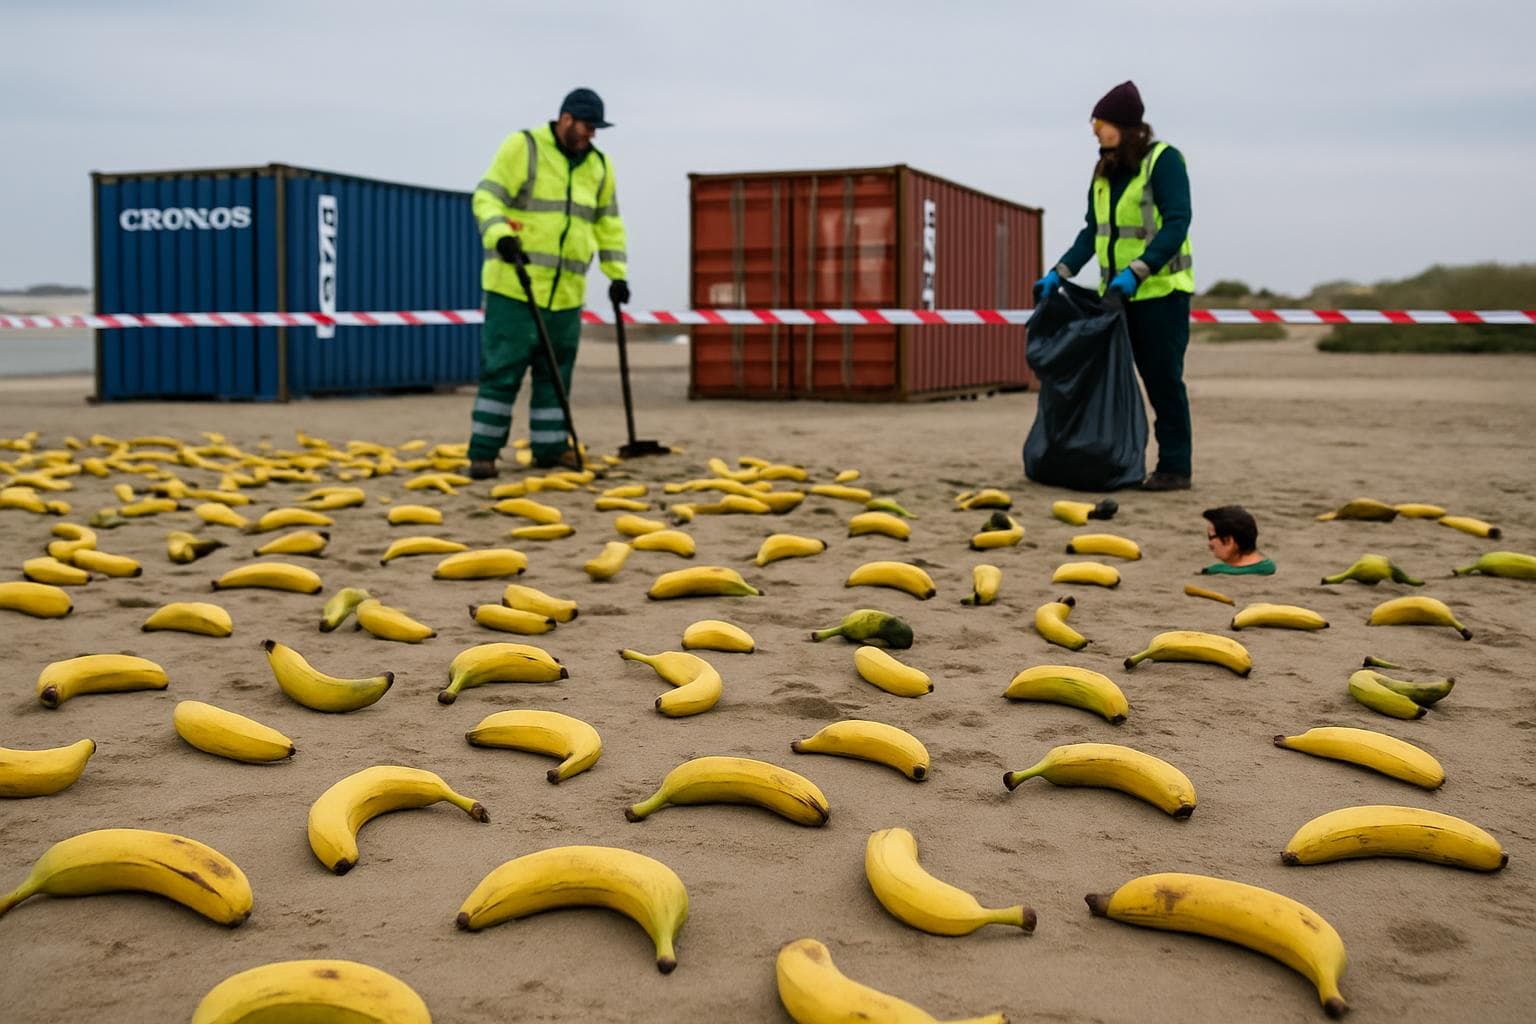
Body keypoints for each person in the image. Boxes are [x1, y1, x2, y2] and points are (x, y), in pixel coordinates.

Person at [1034, 80, 1195, 491]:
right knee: (1117, 380)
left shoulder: (1163, 161)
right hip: (1118, 297)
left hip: (1160, 293)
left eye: (1101, 123)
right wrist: (1061, 271)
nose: (1094, 130)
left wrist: (1138, 270)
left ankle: (1176, 466)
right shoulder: (1105, 170)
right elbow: (1093, 231)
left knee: (1161, 379)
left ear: (1125, 125)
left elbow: (1177, 223)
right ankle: (1115, 456)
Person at [466, 87, 629, 478]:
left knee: (556, 377)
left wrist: (617, 275)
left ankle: (551, 449)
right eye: (588, 126)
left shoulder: (600, 166)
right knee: (502, 371)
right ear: (566, 118)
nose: (592, 135)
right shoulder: (524, 147)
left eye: (596, 129)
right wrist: (501, 236)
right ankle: (484, 453)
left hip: (566, 294)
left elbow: (608, 224)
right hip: (514, 286)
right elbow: (486, 199)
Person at [1201, 505, 1275, 575]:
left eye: (1210, 537)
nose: (1209, 544)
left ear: (1229, 541)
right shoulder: (1270, 566)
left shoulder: (1216, 571)